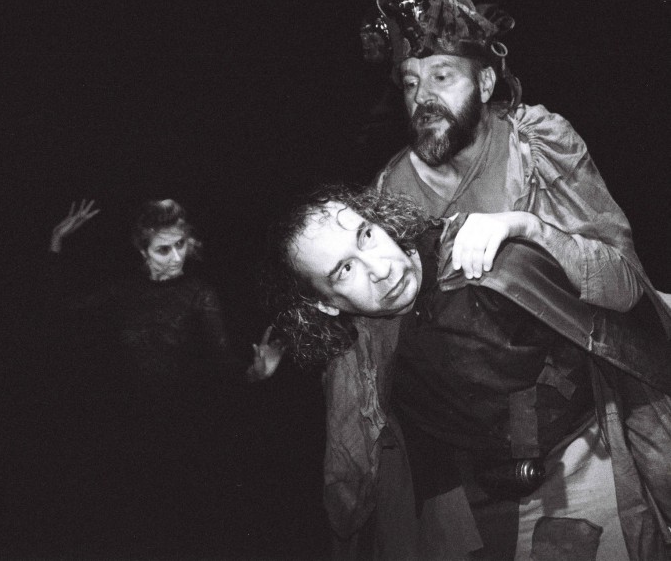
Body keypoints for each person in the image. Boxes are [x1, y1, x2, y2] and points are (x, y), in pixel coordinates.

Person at [263, 184, 671, 561]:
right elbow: (354, 474)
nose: (380, 269)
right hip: (483, 497)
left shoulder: (482, 259)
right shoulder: (356, 353)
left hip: (585, 451)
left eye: (366, 235)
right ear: (325, 304)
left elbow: (625, 292)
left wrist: (530, 228)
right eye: (345, 271)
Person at [360, 0, 671, 332]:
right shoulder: (391, 192)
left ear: (485, 84)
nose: (421, 97)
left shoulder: (538, 145)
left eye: (441, 77)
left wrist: (530, 229)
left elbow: (626, 285)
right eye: (411, 83)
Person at [48, 198, 282, 557]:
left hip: (181, 433)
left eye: (181, 245)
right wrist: (56, 241)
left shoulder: (199, 293)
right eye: (163, 249)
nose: (176, 257)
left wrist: (255, 373)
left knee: (179, 530)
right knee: (126, 531)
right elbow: (62, 308)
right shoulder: (124, 290)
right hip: (126, 430)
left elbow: (223, 363)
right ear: (143, 251)